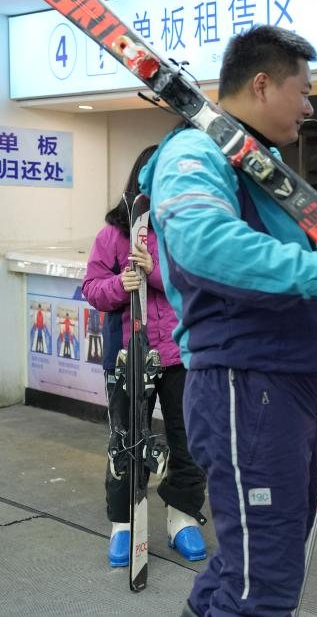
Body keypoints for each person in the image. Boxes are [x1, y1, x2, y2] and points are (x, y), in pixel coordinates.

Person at [138, 25, 317, 617]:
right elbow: (205, 245)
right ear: (262, 84)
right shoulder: (194, 153)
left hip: (276, 389)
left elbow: (275, 273)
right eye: (304, 90)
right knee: (264, 582)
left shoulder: (257, 164)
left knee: (243, 569)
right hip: (246, 388)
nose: (311, 107)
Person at [82, 145, 208, 568]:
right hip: (126, 357)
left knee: (188, 442)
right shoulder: (112, 235)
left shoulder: (187, 230)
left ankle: (183, 518)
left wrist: (154, 269)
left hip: (180, 355)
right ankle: (122, 525)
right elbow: (92, 289)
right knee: (125, 442)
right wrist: (122, 283)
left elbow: (198, 286)